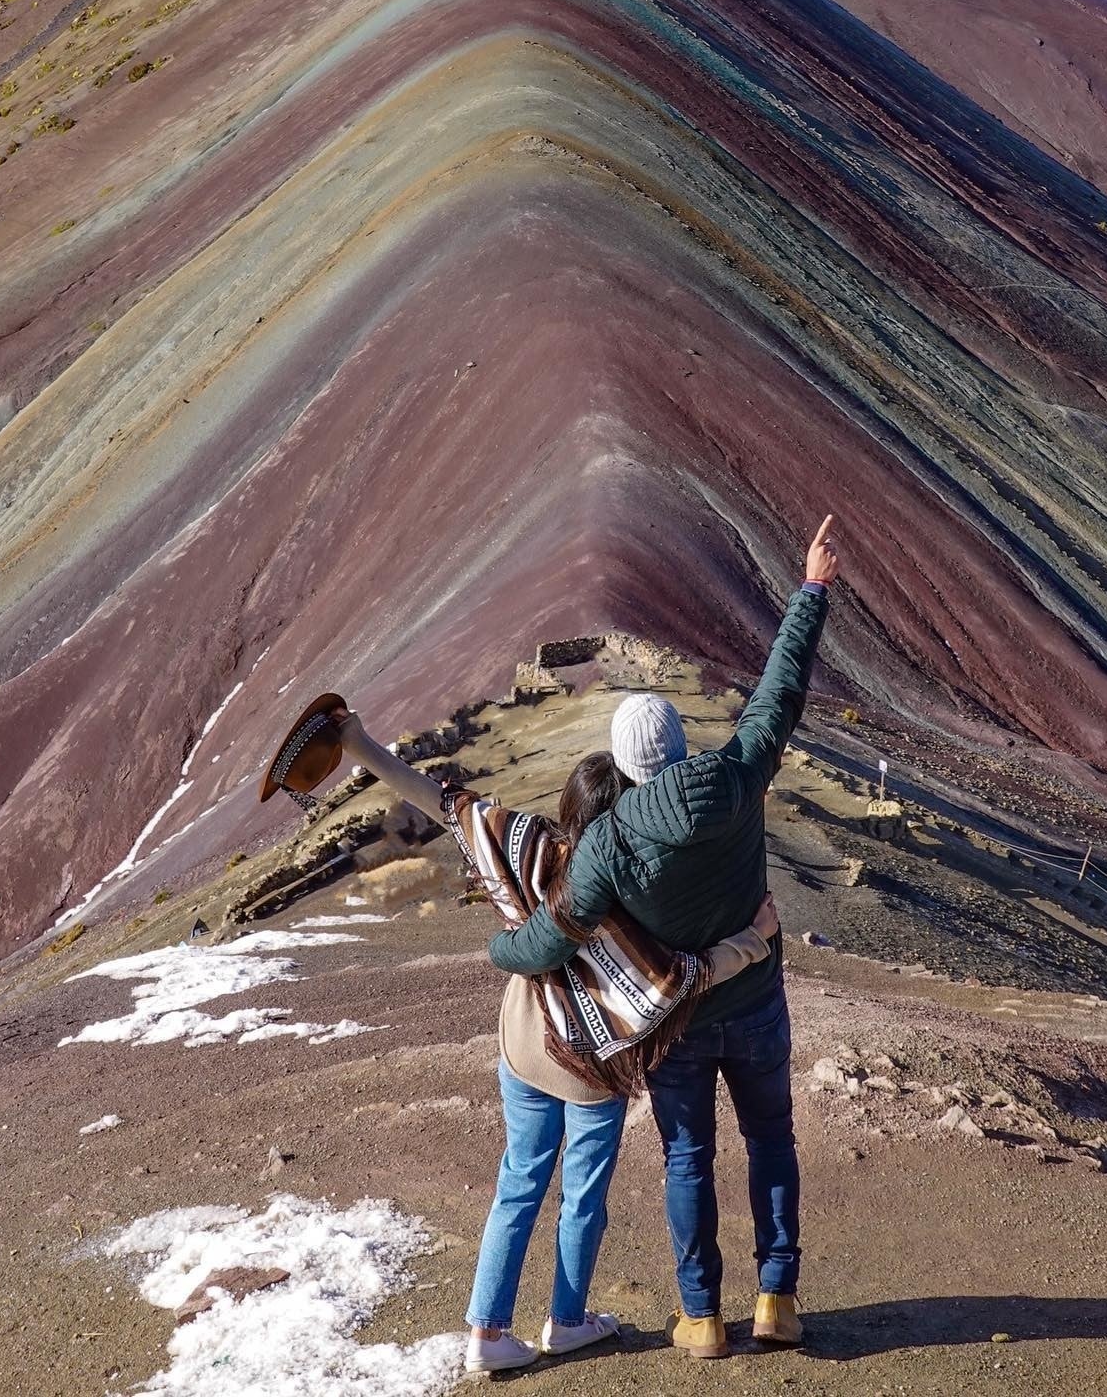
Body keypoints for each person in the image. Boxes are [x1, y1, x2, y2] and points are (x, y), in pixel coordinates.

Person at [487, 515, 838, 1358]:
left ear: (625, 765)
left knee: (690, 1161)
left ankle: (702, 1318)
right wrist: (813, 588)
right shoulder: (740, 775)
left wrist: (500, 953)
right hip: (756, 1002)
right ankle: (777, 1300)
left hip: (675, 1023)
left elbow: (553, 938)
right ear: (679, 748)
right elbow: (781, 688)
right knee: (772, 1142)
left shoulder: (607, 843)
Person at [333, 718, 781, 1377]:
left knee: (517, 1184)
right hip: (592, 1068)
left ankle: (488, 1329)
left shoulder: (530, 845)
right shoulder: (626, 896)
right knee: (582, 1195)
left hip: (522, 1044)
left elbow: (446, 802)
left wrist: (360, 745)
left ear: (570, 808)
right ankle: (567, 1321)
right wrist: (753, 938)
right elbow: (677, 979)